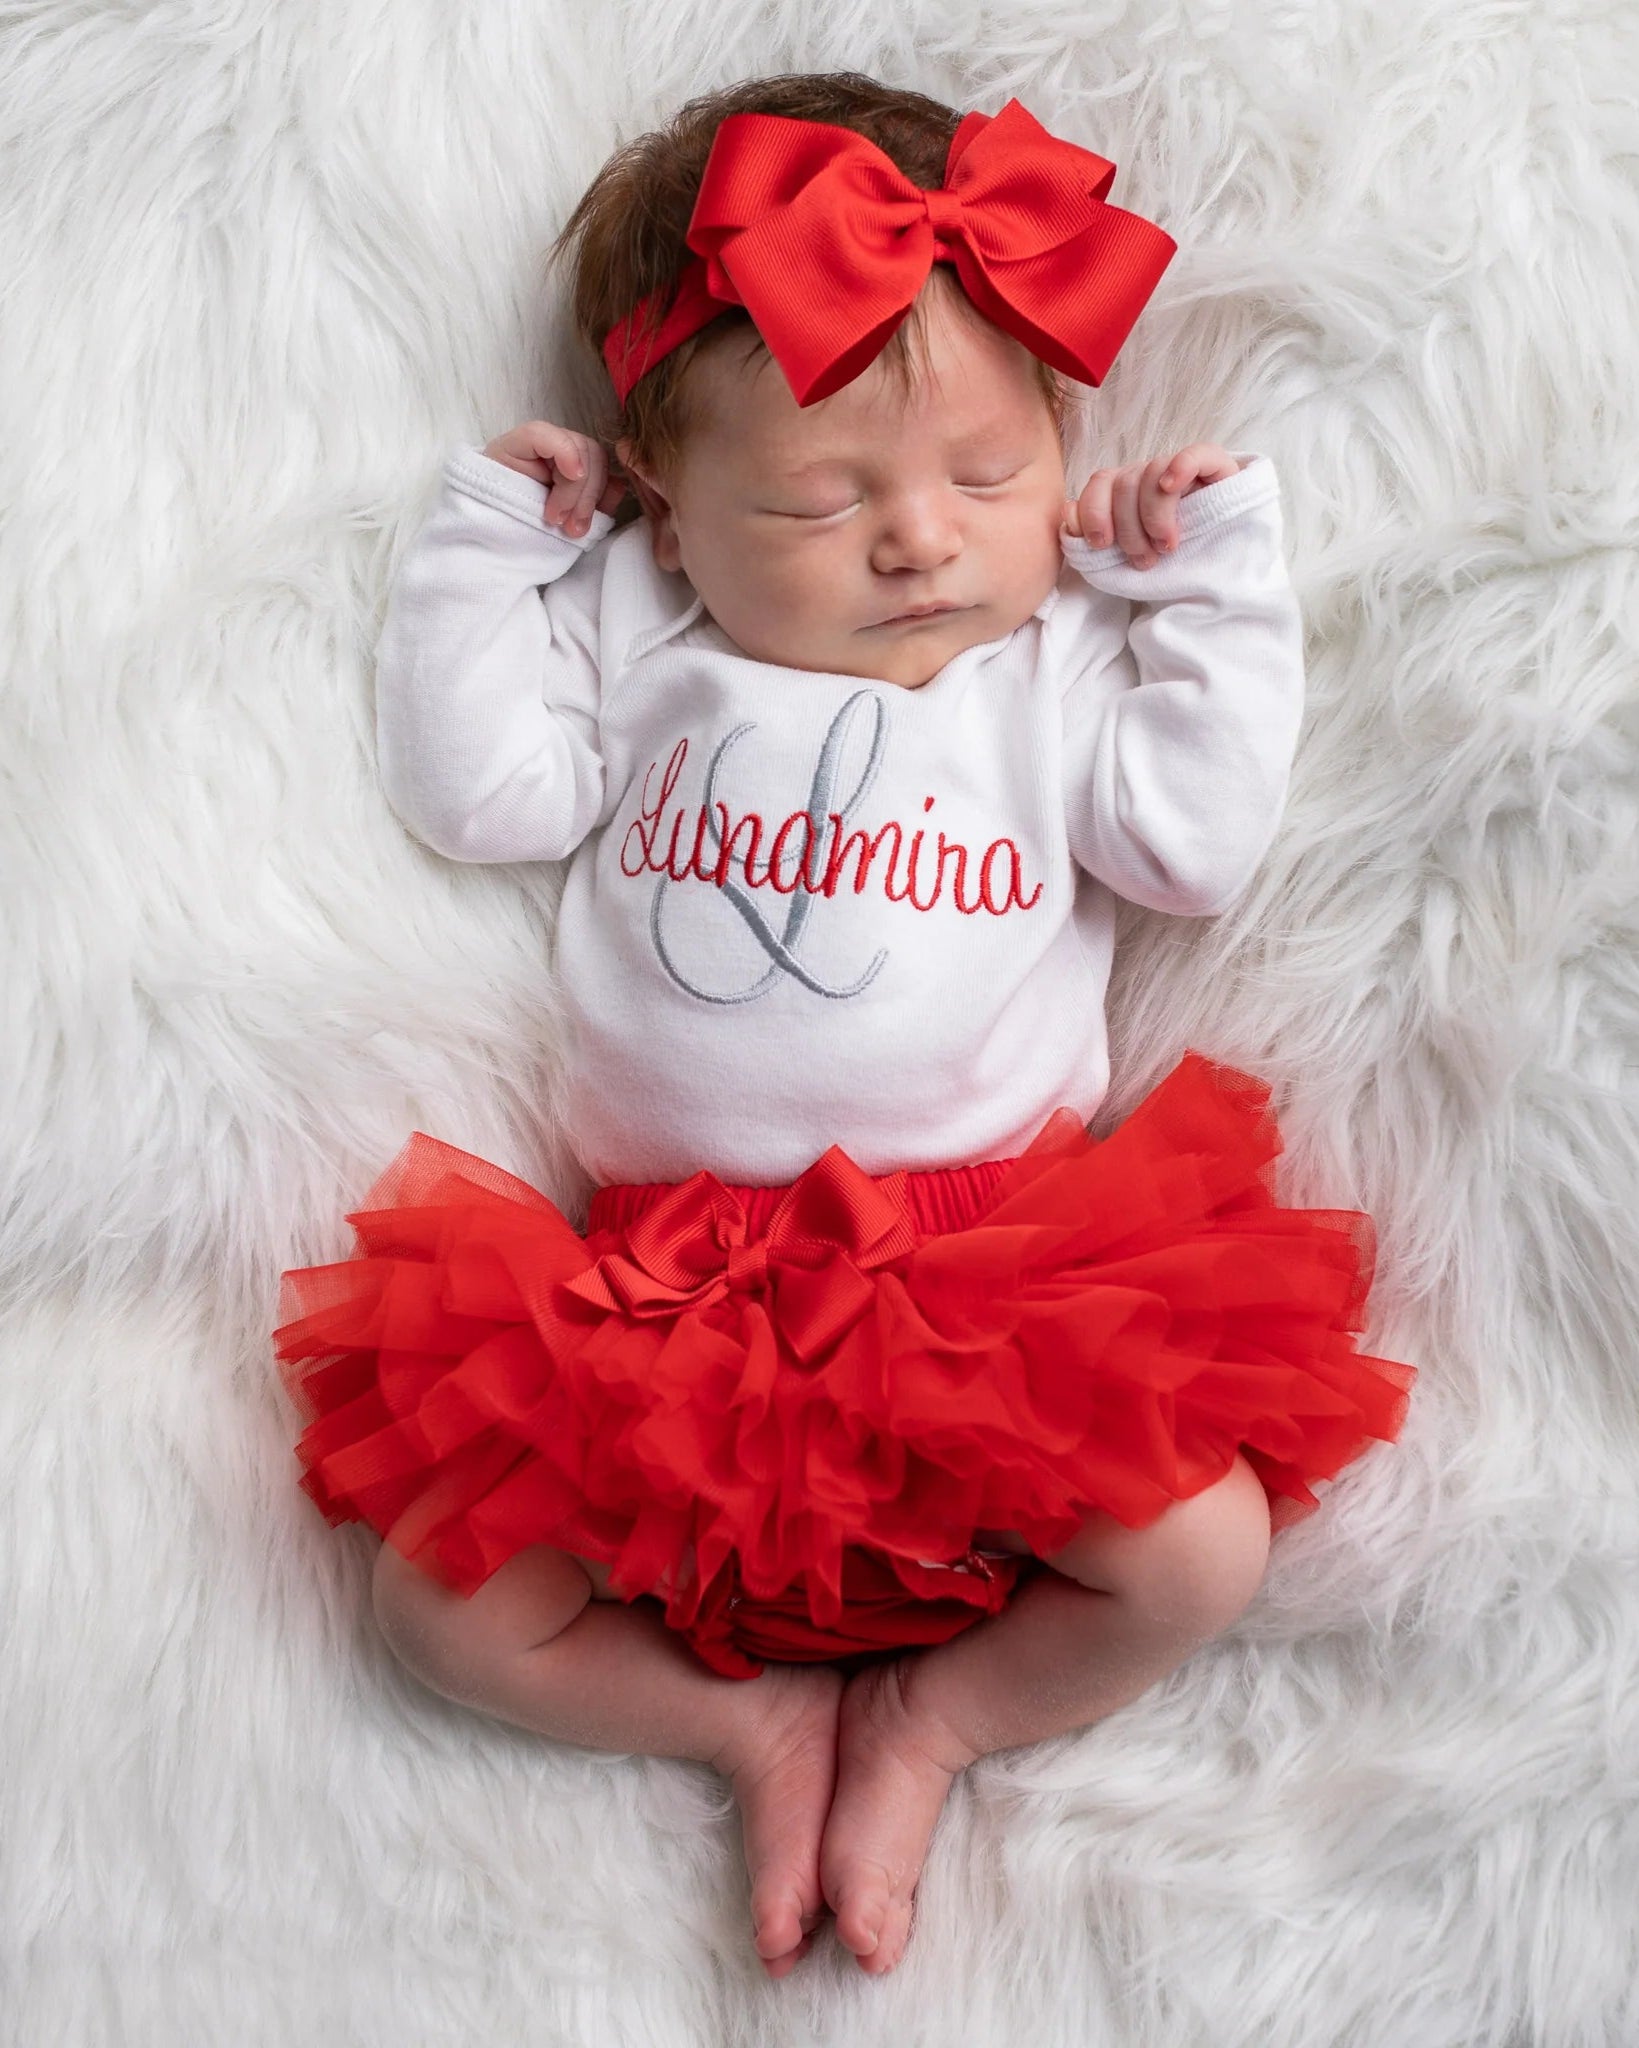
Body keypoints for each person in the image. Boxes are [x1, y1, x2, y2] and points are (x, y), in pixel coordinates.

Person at [273, 72, 1416, 1982]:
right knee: (437, 1604)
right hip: (657, 1319)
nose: (919, 544)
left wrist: (1210, 587)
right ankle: (741, 1723)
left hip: (1002, 1283)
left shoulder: (1047, 668)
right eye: (818, 496)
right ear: (665, 503)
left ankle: (943, 1719)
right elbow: (478, 797)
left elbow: (1198, 847)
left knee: (1198, 1554)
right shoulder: (648, 634)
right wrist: (494, 549)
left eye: (989, 478)